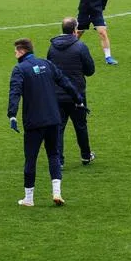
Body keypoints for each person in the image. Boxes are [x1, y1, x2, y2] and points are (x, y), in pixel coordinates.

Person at [7, 37, 84, 208]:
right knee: (54, 155)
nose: (14, 54)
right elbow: (65, 82)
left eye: (15, 51)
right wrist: (78, 100)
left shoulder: (20, 69)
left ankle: (29, 198)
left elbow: (15, 92)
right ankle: (57, 193)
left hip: (34, 122)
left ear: (21, 51)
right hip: (53, 118)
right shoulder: (46, 64)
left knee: (31, 159)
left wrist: (12, 115)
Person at [46, 17, 96, 166]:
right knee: (80, 125)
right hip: (76, 94)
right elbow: (90, 70)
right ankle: (86, 156)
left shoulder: (52, 47)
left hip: (57, 94)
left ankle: (59, 161)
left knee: (59, 127)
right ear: (74, 30)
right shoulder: (80, 47)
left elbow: (49, 68)